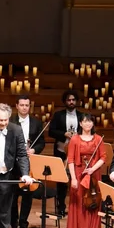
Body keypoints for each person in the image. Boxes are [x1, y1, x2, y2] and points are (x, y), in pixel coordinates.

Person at [65, 111, 106, 228]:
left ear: (92, 123)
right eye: (85, 121)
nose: (87, 123)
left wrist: (93, 169)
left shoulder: (98, 139)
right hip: (78, 173)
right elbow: (70, 160)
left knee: (92, 202)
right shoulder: (75, 139)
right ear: (81, 123)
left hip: (94, 174)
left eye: (90, 121)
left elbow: (103, 158)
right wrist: (73, 179)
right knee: (78, 203)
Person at [9, 94, 45, 228]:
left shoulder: (36, 123)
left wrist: (34, 150)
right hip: (13, 164)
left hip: (30, 164)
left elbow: (41, 142)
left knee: (28, 195)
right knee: (13, 196)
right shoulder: (10, 121)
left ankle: (23, 225)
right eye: (22, 105)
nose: (24, 107)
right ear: (17, 106)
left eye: (27, 105)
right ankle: (13, 225)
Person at [48, 88, 80, 218]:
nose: (71, 102)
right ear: (65, 101)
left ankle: (76, 208)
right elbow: (51, 132)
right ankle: (61, 207)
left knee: (76, 179)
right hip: (61, 151)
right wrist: (64, 134)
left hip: (78, 152)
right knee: (61, 181)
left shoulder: (82, 115)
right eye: (69, 100)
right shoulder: (58, 115)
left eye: (73, 100)